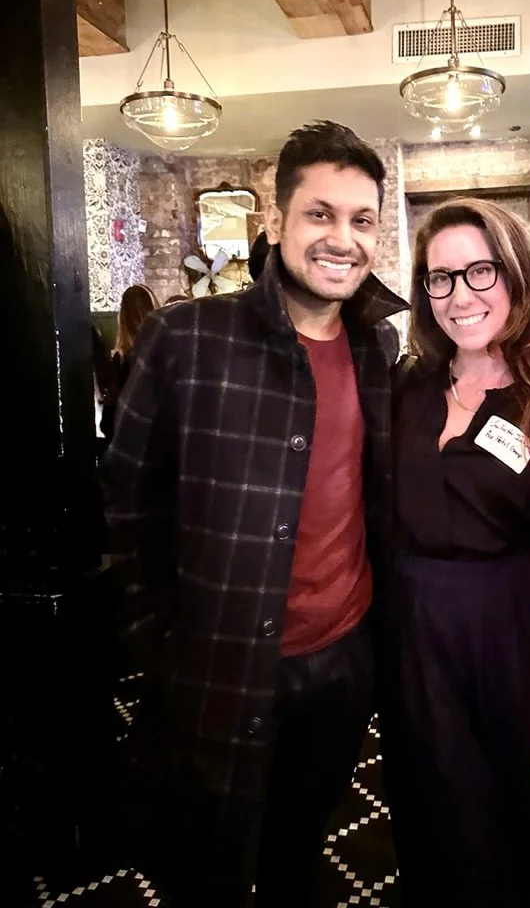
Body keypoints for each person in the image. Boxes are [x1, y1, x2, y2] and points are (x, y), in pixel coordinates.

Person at [101, 120, 408, 908]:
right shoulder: (186, 338)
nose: (343, 239)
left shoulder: (377, 348)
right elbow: (126, 500)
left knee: (298, 850)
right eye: (319, 213)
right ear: (275, 221)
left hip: (341, 659)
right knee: (204, 863)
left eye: (362, 220)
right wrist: (162, 643)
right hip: (218, 661)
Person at [378, 197, 530, 907]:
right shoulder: (406, 386)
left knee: (504, 833)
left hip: (508, 638)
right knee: (422, 816)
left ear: (516, 276)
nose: (460, 296)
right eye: (440, 278)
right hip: (412, 636)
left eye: (481, 271)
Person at [100, 283, 158, 443]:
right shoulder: (166, 356)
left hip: (130, 446)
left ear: (123, 317)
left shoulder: (123, 362)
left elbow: (109, 422)